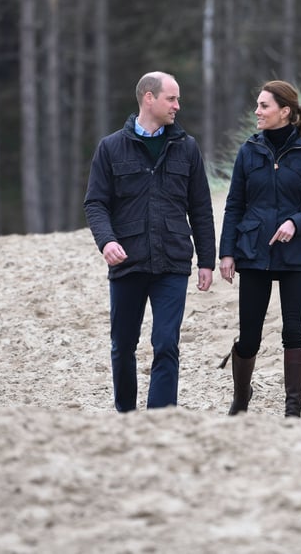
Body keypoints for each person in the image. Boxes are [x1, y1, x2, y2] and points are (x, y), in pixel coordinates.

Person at [84, 71, 216, 412]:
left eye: (177, 98)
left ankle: (160, 419)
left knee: (167, 343)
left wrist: (206, 260)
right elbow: (96, 203)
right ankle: (126, 415)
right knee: (123, 345)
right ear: (149, 98)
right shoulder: (111, 147)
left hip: (172, 262)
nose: (177, 105)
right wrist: (106, 241)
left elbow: (200, 208)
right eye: (171, 98)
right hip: (127, 261)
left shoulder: (186, 148)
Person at [218, 79, 301, 418]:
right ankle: (241, 399)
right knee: (249, 337)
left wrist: (296, 222)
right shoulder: (248, 150)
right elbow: (234, 205)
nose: (257, 111)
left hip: (294, 255)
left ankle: (292, 411)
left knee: (293, 333)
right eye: (258, 105)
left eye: (264, 106)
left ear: (285, 111)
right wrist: (227, 252)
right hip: (252, 252)